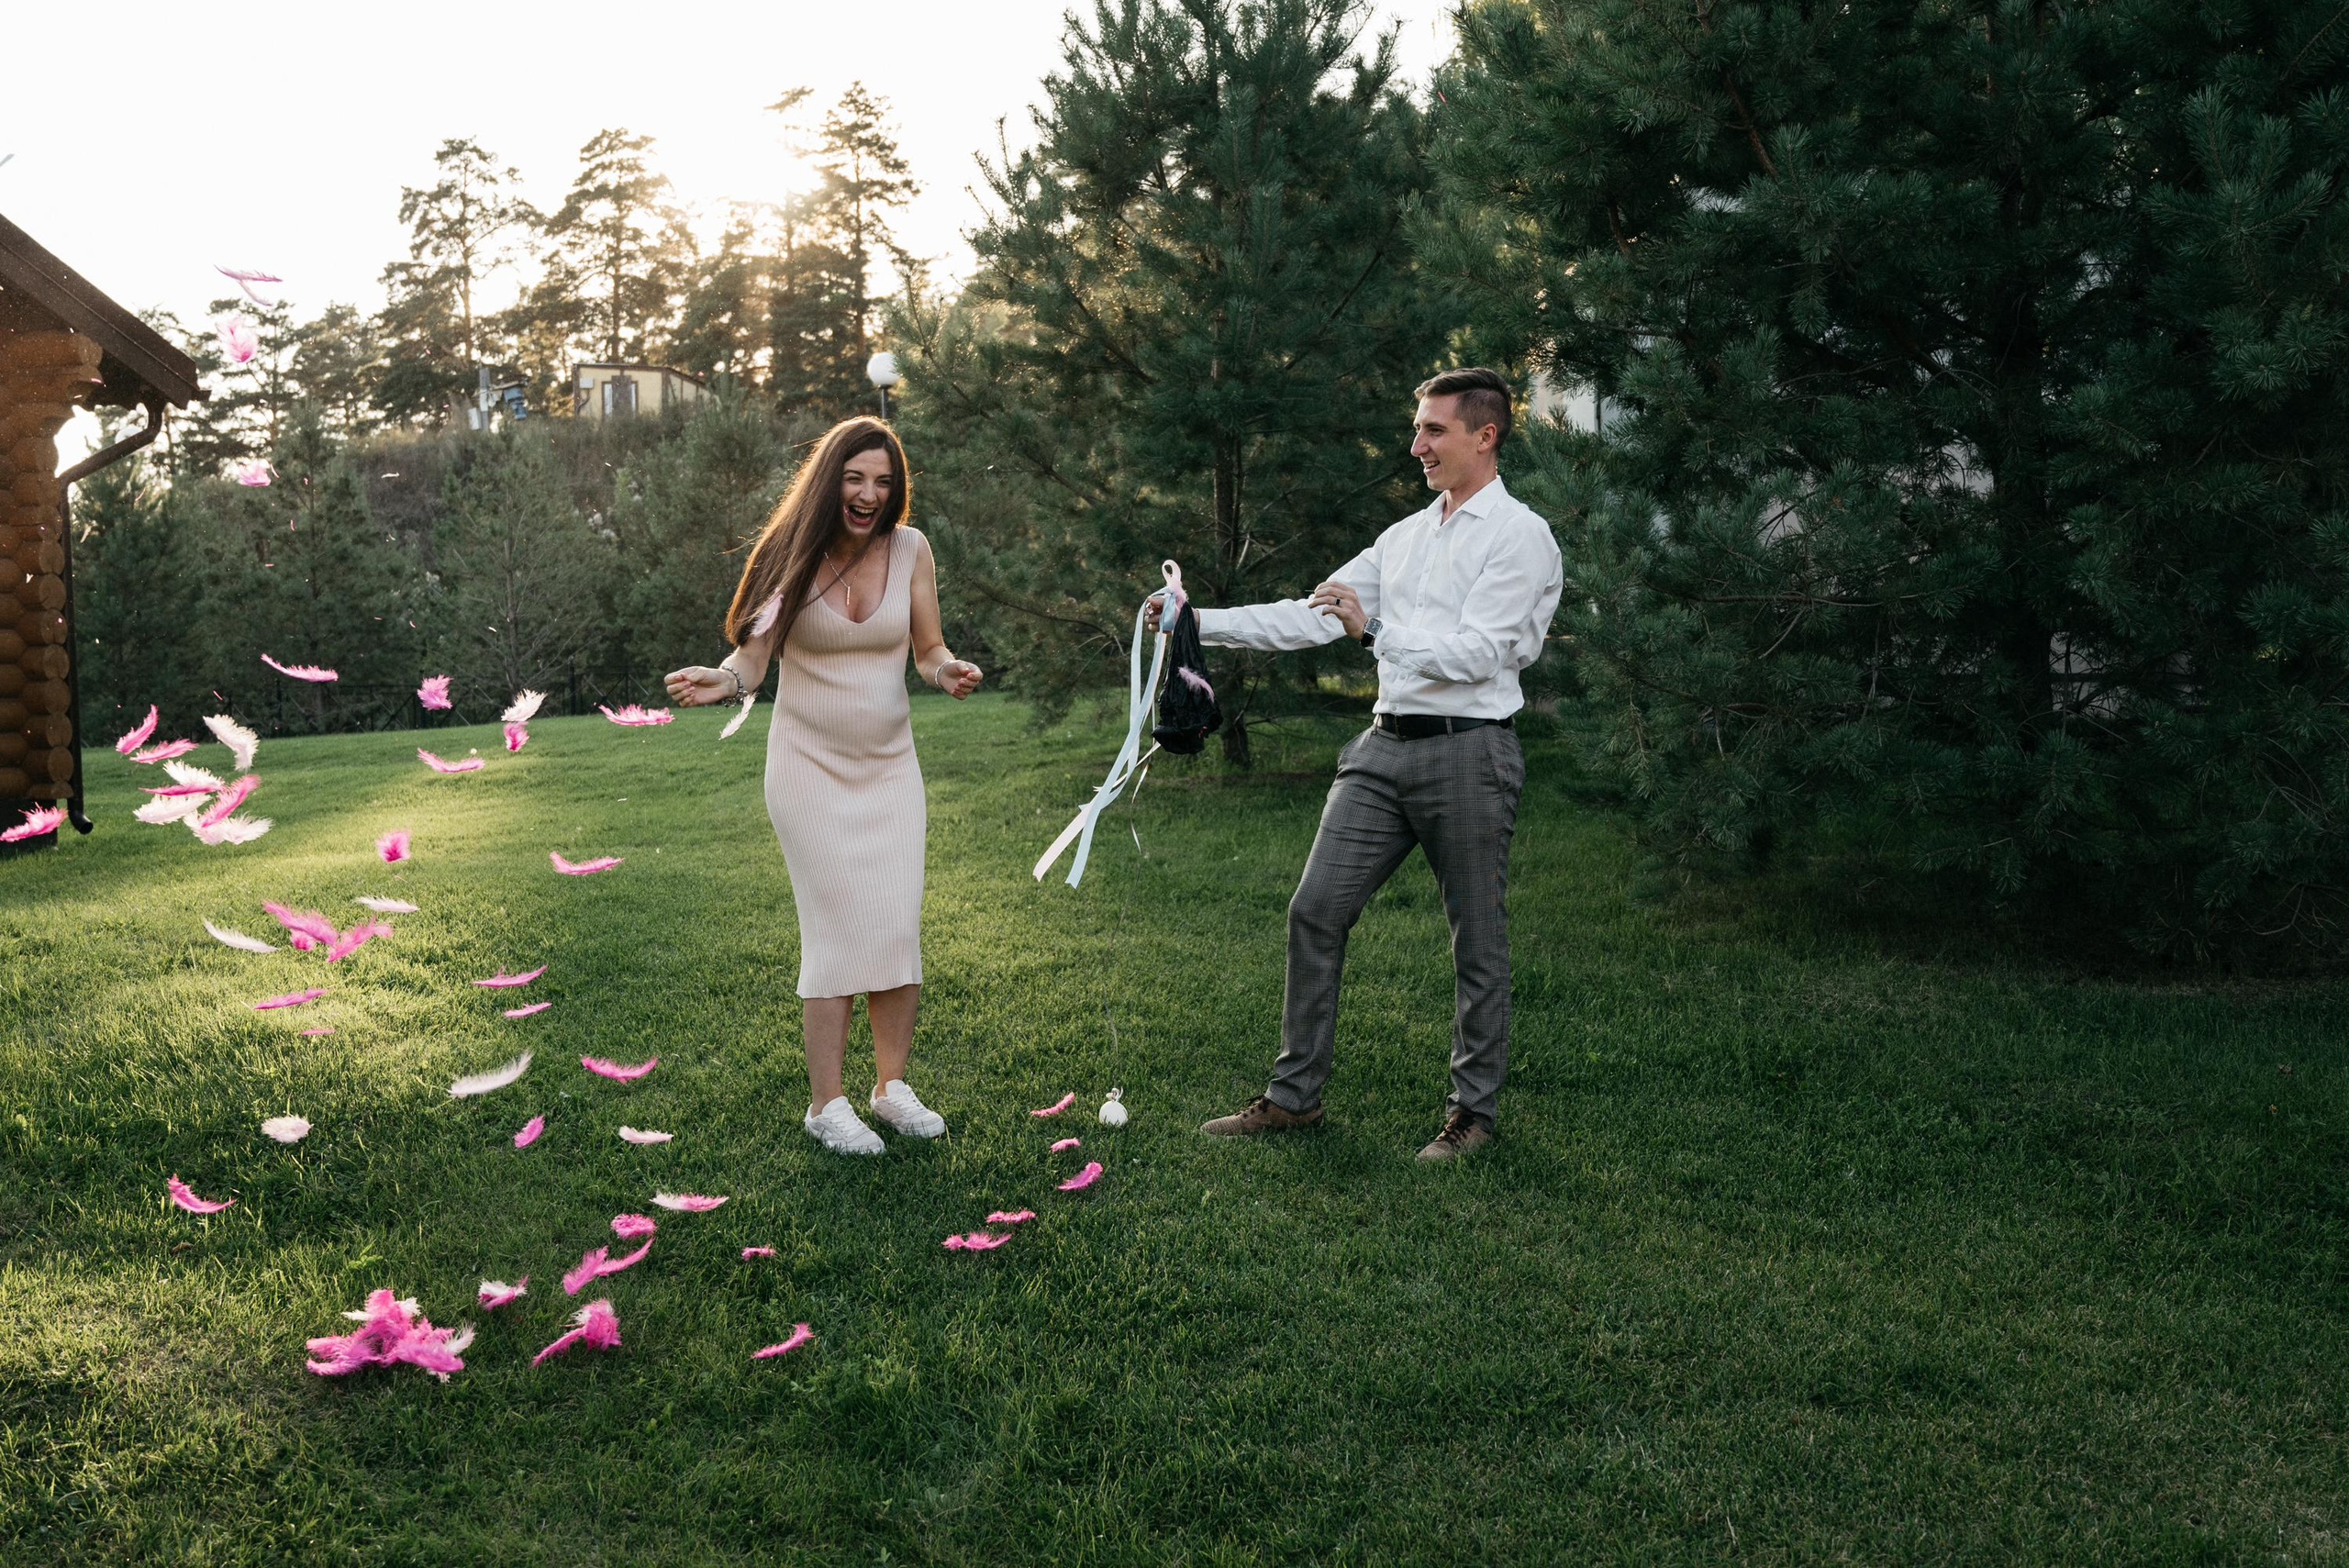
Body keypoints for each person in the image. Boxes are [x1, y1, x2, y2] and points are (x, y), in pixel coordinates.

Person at [1163, 368, 1563, 1162]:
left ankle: (1471, 1117)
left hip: (1471, 750)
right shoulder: (1405, 536)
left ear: (1485, 435)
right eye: (1417, 429)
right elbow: (1315, 616)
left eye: (1433, 431)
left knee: (1475, 940)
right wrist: (1195, 619)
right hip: (1381, 751)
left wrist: (1373, 631)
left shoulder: (1522, 536)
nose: (1416, 446)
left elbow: (1484, 653)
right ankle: (1293, 1098)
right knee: (1316, 909)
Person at [665, 417, 983, 1155]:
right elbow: (752, 656)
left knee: (897, 925)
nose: (869, 493)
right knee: (837, 931)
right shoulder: (793, 554)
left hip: (890, 769)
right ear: (829, 480)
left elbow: (928, 646)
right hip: (808, 771)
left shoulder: (911, 550)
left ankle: (891, 1087)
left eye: (882, 481)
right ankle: (826, 1105)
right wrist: (726, 678)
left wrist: (947, 671)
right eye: (854, 477)